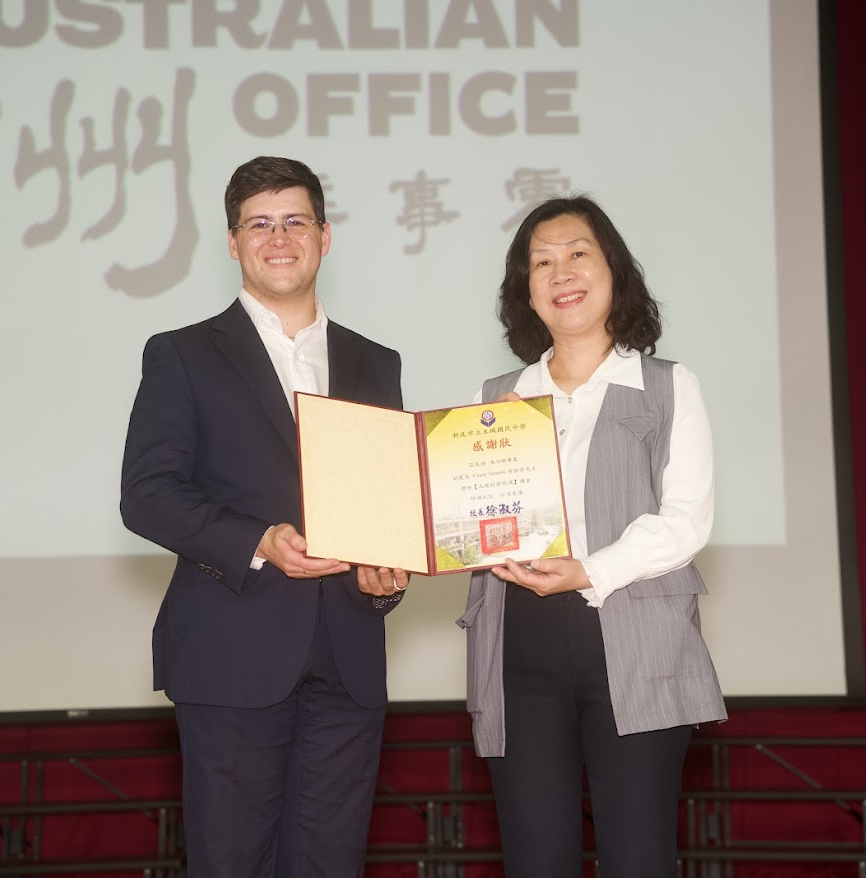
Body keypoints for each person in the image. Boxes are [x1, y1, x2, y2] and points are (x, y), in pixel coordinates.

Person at [120, 155, 409, 878]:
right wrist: (258, 541)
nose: (278, 238)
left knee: (330, 864)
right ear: (231, 242)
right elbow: (146, 493)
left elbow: (384, 505)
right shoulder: (183, 354)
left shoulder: (375, 362)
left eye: (294, 221)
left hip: (347, 659)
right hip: (231, 653)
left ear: (324, 236)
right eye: (259, 224)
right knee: (230, 863)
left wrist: (387, 575)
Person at [458, 195, 727, 876]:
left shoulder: (666, 386)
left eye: (577, 253)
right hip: (520, 641)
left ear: (613, 271)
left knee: (637, 857)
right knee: (534, 860)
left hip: (633, 636)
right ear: (525, 291)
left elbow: (686, 519)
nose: (560, 271)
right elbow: (469, 522)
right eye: (539, 262)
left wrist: (587, 570)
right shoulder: (498, 399)